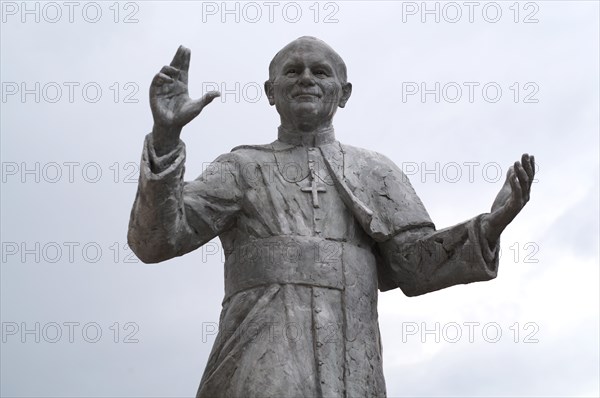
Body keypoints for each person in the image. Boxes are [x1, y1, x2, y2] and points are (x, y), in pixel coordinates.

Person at [128, 36, 535, 398]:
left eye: (319, 71)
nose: (306, 78)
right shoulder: (240, 168)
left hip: (352, 369)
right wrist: (165, 138)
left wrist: (491, 224)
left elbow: (414, 267)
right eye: (293, 71)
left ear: (344, 93)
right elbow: (157, 241)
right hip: (255, 365)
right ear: (271, 91)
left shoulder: (375, 171)